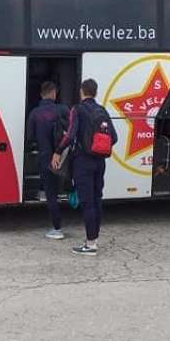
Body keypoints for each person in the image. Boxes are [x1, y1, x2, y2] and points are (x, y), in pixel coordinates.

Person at [52, 79, 118, 256]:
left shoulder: (78, 109)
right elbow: (115, 137)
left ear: (82, 91)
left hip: (83, 162)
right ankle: (93, 239)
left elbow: (71, 134)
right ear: (95, 92)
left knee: (87, 202)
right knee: (97, 200)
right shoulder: (102, 110)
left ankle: (90, 245)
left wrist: (58, 151)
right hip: (100, 161)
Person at [27, 81, 69, 240]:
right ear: (54, 93)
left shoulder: (35, 113)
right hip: (63, 157)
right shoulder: (63, 109)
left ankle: (57, 229)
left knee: (51, 195)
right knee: (59, 190)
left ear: (41, 94)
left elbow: (30, 137)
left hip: (45, 157)